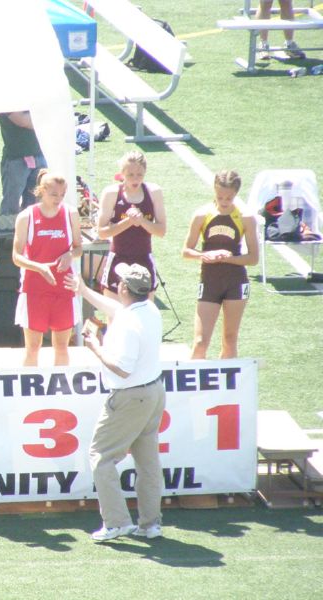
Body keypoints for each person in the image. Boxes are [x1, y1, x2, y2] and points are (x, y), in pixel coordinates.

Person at [66, 263, 166, 542]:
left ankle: (117, 522)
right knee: (147, 463)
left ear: (123, 288)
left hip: (129, 397)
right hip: (154, 392)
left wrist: (95, 346)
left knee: (101, 457)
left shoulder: (127, 323)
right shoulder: (150, 310)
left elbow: (122, 368)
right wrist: (83, 291)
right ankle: (150, 524)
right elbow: (114, 309)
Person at [182, 170, 259, 359]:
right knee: (200, 342)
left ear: (236, 194)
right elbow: (186, 251)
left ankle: (228, 387)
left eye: (229, 198)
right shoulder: (202, 214)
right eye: (220, 197)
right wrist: (207, 255)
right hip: (210, 282)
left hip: (236, 282)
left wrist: (226, 258)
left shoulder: (245, 217)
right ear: (214, 191)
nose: (224, 202)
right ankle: (195, 387)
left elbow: (253, 258)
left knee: (230, 339)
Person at [12, 169, 82, 366]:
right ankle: (29, 393)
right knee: (33, 349)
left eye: (62, 194)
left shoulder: (71, 214)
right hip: (35, 288)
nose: (58, 199)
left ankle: (61, 393)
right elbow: (16, 257)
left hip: (63, 287)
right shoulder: (27, 216)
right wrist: (40, 268)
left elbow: (78, 248)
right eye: (53, 194)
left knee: (61, 347)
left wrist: (70, 254)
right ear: (41, 191)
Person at [97, 151, 166, 311]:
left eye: (139, 174)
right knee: (115, 315)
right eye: (130, 174)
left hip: (144, 259)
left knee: (144, 314)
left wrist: (141, 220)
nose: (135, 179)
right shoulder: (112, 193)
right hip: (118, 259)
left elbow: (161, 231)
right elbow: (102, 232)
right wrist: (128, 222)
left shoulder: (153, 192)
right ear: (122, 174)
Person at [0, 111, 47, 215]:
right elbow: (23, 121)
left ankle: (30, 230)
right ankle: (8, 231)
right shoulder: (5, 97)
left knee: (35, 204)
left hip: (39, 155)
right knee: (10, 206)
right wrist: (47, 117)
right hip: (16, 159)